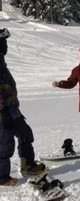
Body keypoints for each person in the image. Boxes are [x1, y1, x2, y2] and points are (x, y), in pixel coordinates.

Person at [0, 28, 45, 186]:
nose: (6, 46)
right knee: (5, 145)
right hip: (3, 113)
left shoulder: (1, 62)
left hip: (12, 110)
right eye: (3, 42)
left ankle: (27, 165)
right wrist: (3, 112)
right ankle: (2, 177)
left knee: (26, 134)